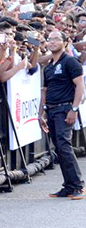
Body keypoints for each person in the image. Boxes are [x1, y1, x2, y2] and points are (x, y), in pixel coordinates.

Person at [39, 30, 85, 199]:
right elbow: (45, 90)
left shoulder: (70, 62)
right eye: (49, 39)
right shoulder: (49, 66)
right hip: (50, 110)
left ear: (65, 42)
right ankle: (68, 185)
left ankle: (78, 186)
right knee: (59, 147)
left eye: (56, 39)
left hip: (64, 109)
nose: (52, 42)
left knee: (64, 146)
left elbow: (80, 86)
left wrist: (74, 109)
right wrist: (41, 113)